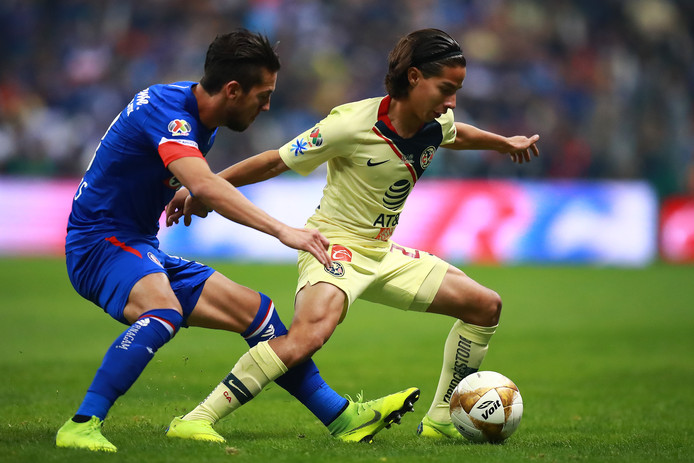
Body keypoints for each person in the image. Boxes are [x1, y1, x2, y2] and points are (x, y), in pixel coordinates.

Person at [166, 28, 539, 441]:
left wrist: (503, 144)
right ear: (414, 77)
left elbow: (456, 132)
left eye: (457, 91)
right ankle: (196, 419)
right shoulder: (350, 124)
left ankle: (441, 420)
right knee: (307, 337)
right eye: (445, 89)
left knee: (485, 306)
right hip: (333, 246)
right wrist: (203, 186)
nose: (451, 102)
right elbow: (275, 161)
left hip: (382, 252)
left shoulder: (436, 121)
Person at [56, 29, 418, 453]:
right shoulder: (168, 112)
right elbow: (206, 185)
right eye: (263, 96)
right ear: (232, 90)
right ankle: (82, 423)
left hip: (137, 244)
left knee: (258, 312)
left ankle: (341, 418)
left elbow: (190, 178)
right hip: (98, 244)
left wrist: (190, 189)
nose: (266, 106)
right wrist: (282, 230)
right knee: (162, 310)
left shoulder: (196, 115)